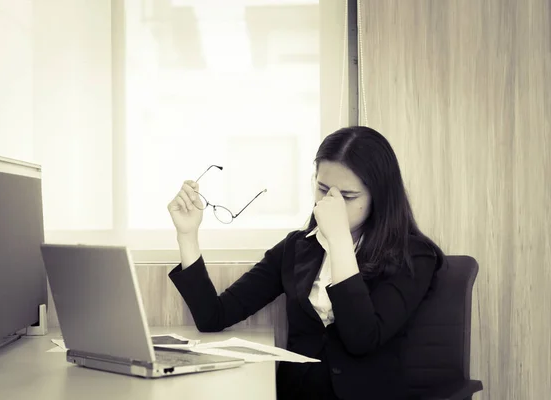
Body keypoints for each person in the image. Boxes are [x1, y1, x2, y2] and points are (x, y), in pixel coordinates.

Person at [166, 126, 445, 400]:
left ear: (378, 197)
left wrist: (339, 242)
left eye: (347, 197)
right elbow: (213, 316)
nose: (330, 202)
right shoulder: (297, 247)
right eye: (323, 189)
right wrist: (187, 235)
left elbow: (362, 339)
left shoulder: (414, 256)